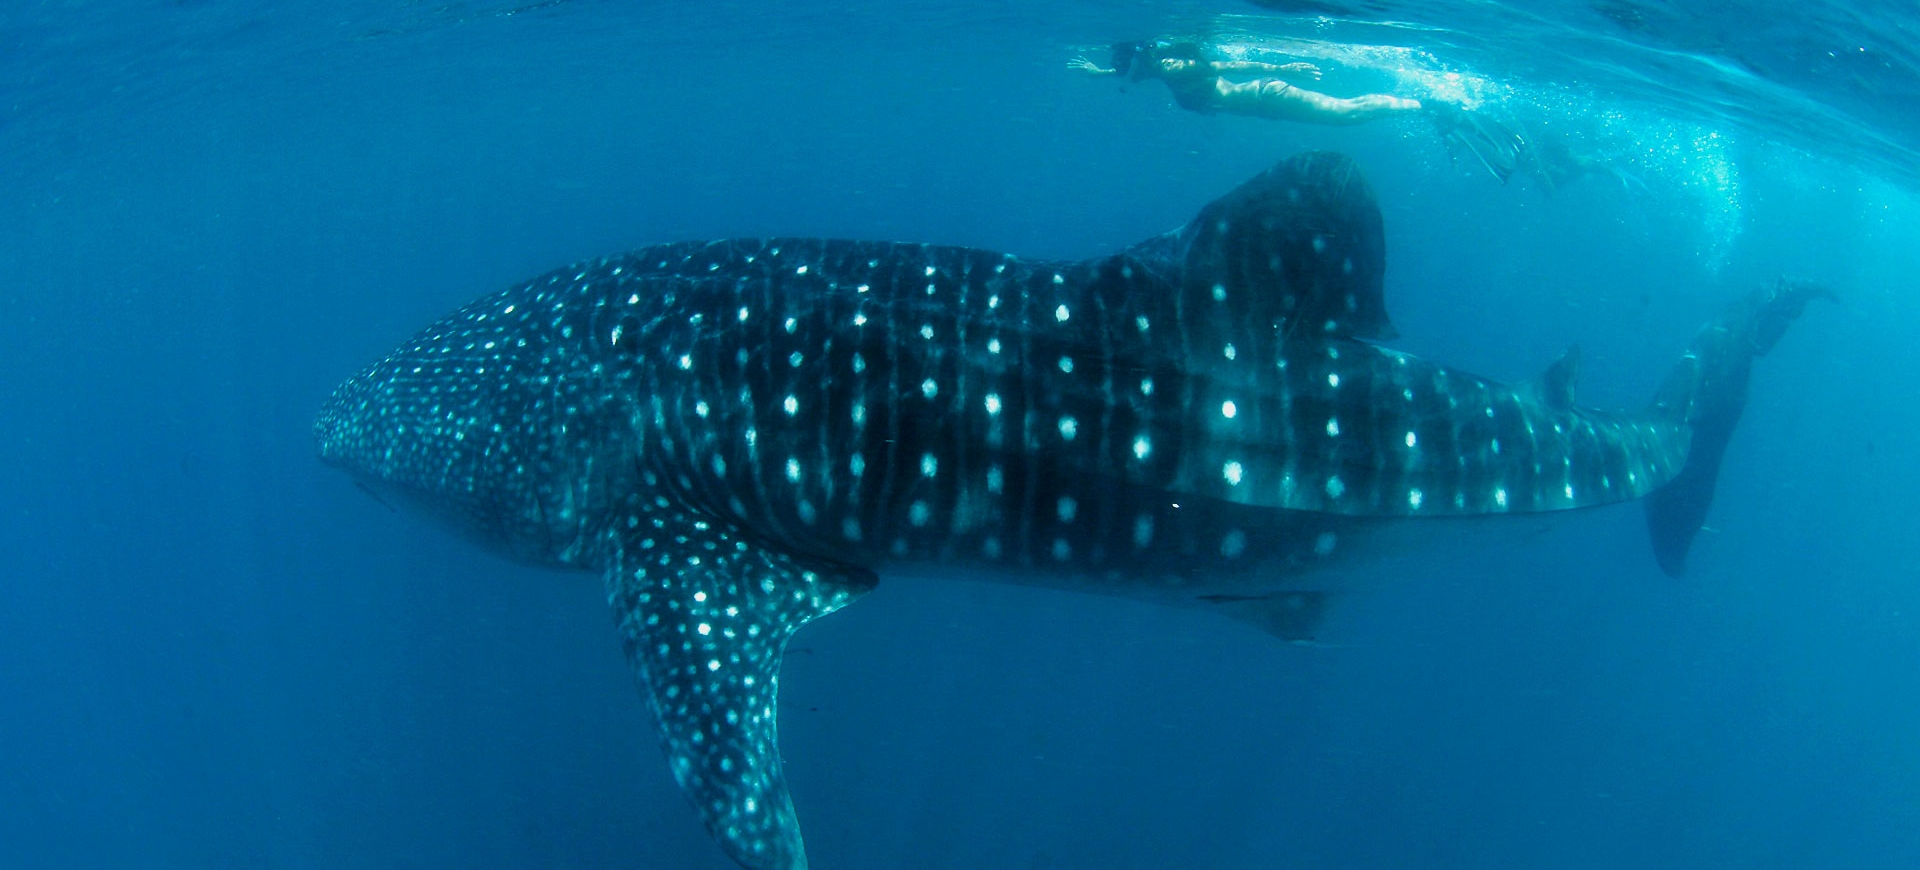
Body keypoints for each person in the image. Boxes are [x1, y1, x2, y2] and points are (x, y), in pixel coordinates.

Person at [1070, 39, 1423, 126]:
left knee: (1347, 115)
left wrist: (1284, 70)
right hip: (1262, 103)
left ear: (1143, 56)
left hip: (1265, 97)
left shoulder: (1174, 68)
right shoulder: (1154, 69)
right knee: (1347, 116)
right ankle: (1418, 106)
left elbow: (1230, 64)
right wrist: (1097, 73)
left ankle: (1424, 106)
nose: (1128, 71)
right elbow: (1132, 76)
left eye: (1128, 63)